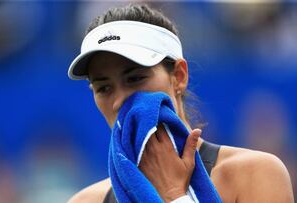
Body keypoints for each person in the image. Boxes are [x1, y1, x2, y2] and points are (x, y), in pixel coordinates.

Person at [67, 4, 294, 203]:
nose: (119, 101)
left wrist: (174, 194)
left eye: (135, 78)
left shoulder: (256, 174)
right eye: (103, 88)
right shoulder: (86, 201)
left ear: (179, 76)